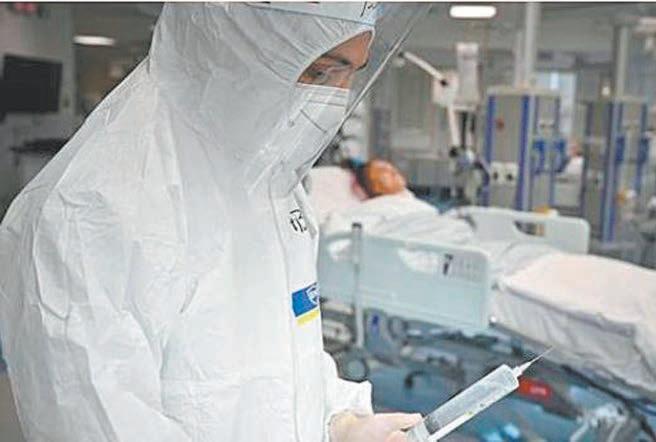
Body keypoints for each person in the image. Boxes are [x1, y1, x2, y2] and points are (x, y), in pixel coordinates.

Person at [0, 3, 423, 441]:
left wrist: (340, 423)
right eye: (320, 72)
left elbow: (283, 356)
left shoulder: (267, 176)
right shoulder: (92, 211)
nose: (336, 97)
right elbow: (98, 426)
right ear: (234, 44)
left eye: (351, 73)